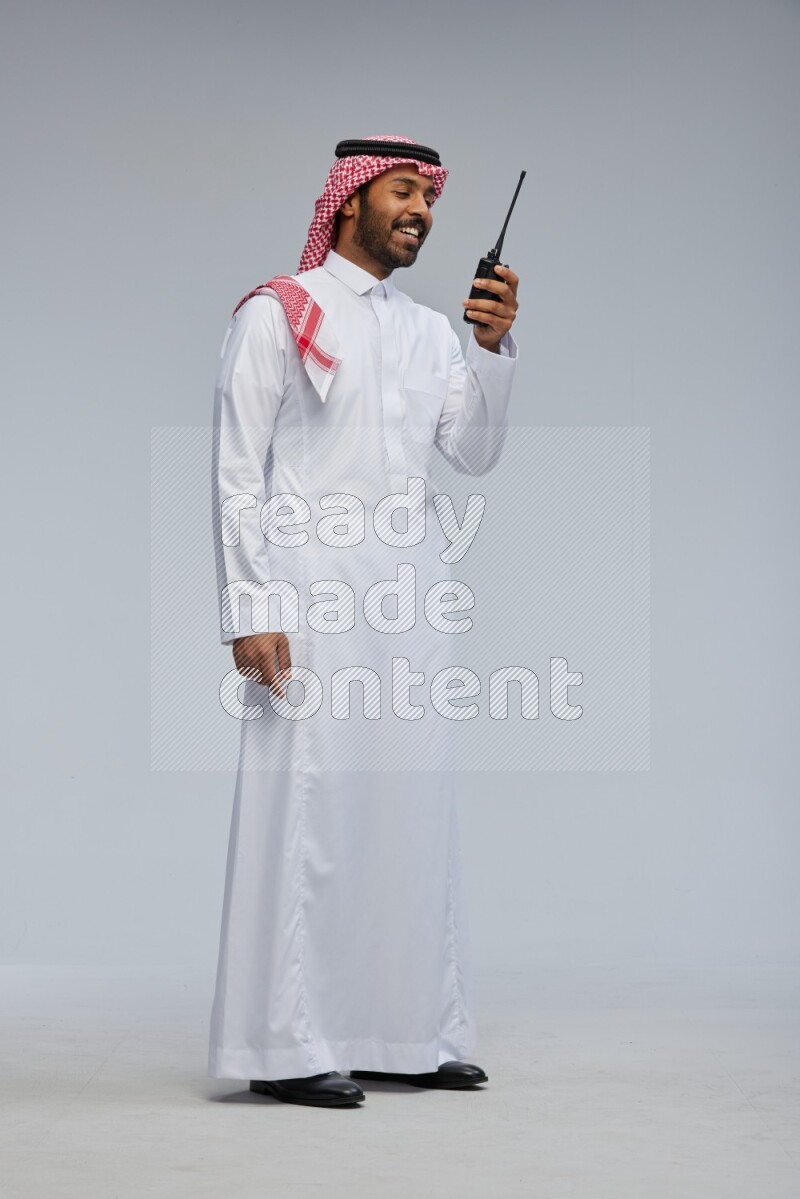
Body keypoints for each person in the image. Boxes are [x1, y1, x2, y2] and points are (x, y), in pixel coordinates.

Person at [209, 135, 520, 1108]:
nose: (421, 210)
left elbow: (472, 452)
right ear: (348, 201)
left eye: (429, 196)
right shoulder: (279, 310)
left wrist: (488, 348)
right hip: (308, 599)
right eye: (403, 191)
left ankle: (408, 1030)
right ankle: (284, 1044)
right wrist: (250, 607)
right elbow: (237, 469)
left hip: (409, 602)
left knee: (406, 812)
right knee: (308, 814)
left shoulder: (429, 332)